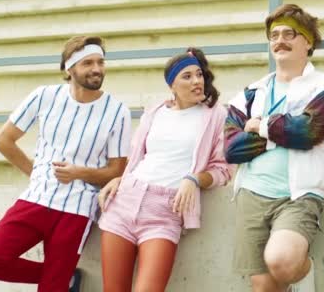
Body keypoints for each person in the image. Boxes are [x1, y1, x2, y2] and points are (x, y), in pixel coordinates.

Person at [0, 35, 131, 292]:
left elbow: (117, 171)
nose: (96, 69)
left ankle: (59, 280)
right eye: (88, 63)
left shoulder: (117, 111)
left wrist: (79, 173)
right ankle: (65, 278)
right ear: (69, 69)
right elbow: (4, 140)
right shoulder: (44, 96)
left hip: (77, 209)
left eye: (100, 62)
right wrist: (34, 172)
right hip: (36, 199)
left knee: (52, 288)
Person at [224, 3, 324, 292]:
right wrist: (282, 130)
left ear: (308, 41)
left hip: (298, 194)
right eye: (274, 35)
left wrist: (261, 126)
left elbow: (307, 132)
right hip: (252, 193)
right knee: (264, 286)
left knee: (282, 261)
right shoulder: (250, 93)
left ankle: (305, 273)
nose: (279, 40)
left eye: (289, 34)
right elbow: (232, 148)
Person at [96, 47, 231, 292]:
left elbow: (223, 170)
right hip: (125, 201)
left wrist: (194, 179)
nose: (196, 81)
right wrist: (120, 179)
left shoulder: (215, 115)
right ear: (172, 85)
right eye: (187, 76)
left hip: (164, 210)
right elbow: (138, 155)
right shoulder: (156, 111)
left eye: (199, 74)